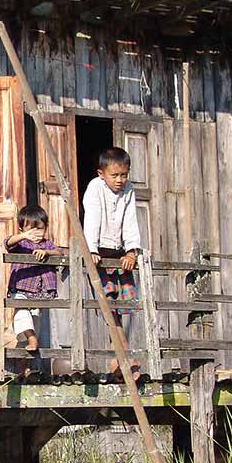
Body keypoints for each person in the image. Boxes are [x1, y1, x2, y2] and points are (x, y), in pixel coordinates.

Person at [83, 146, 143, 379]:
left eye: (124, 175)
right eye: (114, 175)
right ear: (101, 174)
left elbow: (130, 220)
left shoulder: (128, 190)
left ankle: (117, 363)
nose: (119, 180)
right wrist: (91, 250)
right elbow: (92, 219)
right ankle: (124, 357)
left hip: (118, 253)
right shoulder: (95, 188)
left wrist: (131, 252)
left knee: (121, 307)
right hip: (100, 253)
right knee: (108, 306)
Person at [4, 203, 58, 355]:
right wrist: (23, 236)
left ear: (46, 227)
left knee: (36, 320)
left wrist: (47, 253)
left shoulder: (47, 244)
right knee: (21, 313)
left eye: (40, 228)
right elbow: (7, 243)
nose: (35, 233)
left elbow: (60, 253)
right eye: (31, 229)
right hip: (20, 287)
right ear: (21, 228)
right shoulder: (20, 243)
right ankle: (31, 338)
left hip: (40, 291)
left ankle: (27, 364)